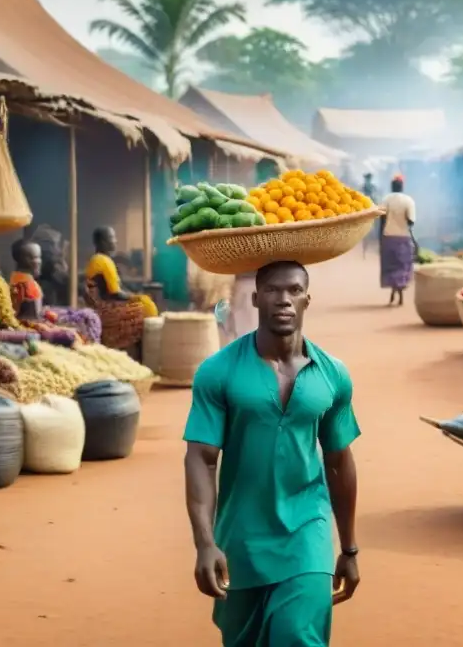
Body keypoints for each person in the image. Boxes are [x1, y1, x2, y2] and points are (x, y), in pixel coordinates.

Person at [184, 261, 361, 646]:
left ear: (307, 300)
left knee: (297, 636)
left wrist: (348, 547)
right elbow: (201, 458)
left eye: (294, 290)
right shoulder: (218, 372)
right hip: (241, 539)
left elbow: (339, 460)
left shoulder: (332, 374)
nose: (284, 300)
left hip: (307, 530)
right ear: (255, 298)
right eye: (273, 290)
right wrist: (204, 543)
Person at [84, 226, 159, 351]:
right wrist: (136, 297)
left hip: (103, 306)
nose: (115, 241)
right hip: (107, 310)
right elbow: (115, 293)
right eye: (112, 238)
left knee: (144, 303)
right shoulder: (103, 261)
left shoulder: (98, 260)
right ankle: (141, 352)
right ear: (103, 242)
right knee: (145, 308)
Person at [10, 239, 99, 344]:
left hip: (25, 324)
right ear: (26, 259)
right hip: (31, 327)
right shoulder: (28, 285)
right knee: (76, 334)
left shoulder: (15, 278)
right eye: (37, 258)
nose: (40, 262)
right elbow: (33, 317)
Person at [378, 174, 417, 307]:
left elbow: (381, 220)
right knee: (402, 266)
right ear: (402, 186)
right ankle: (399, 294)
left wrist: (380, 238)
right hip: (403, 237)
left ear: (392, 186)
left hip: (388, 236)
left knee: (391, 266)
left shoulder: (385, 200)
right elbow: (411, 221)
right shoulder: (408, 201)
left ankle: (393, 295)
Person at [360, 173, 379, 258]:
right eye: (367, 179)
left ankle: (366, 251)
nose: (367, 180)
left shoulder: (373, 188)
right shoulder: (362, 188)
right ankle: (364, 251)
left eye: (368, 179)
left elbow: (376, 198)